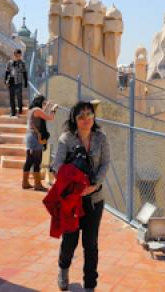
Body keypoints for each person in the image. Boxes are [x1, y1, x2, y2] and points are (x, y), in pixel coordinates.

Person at [52, 101, 110, 292]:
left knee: (90, 244)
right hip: (73, 201)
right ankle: (63, 268)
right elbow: (57, 166)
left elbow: (105, 164)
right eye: (81, 116)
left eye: (89, 114)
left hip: (94, 200)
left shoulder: (101, 138)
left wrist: (93, 185)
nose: (86, 119)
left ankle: (90, 286)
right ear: (74, 120)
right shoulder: (66, 139)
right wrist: (77, 186)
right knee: (70, 240)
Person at [24, 95, 56, 190]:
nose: (44, 105)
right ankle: (37, 184)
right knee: (37, 161)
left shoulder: (31, 110)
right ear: (40, 103)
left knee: (29, 161)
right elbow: (50, 117)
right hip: (35, 138)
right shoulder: (37, 110)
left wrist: (48, 105)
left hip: (29, 137)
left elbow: (42, 115)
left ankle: (24, 182)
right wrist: (53, 109)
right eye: (44, 103)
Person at [5, 49, 28, 117]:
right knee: (11, 98)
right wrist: (5, 80)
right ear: (14, 55)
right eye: (17, 55)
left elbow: (24, 73)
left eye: (19, 56)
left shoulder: (22, 63)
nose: (18, 57)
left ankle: (20, 108)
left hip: (19, 82)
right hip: (11, 82)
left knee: (19, 97)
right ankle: (13, 112)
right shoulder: (9, 63)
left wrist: (25, 81)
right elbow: (7, 72)